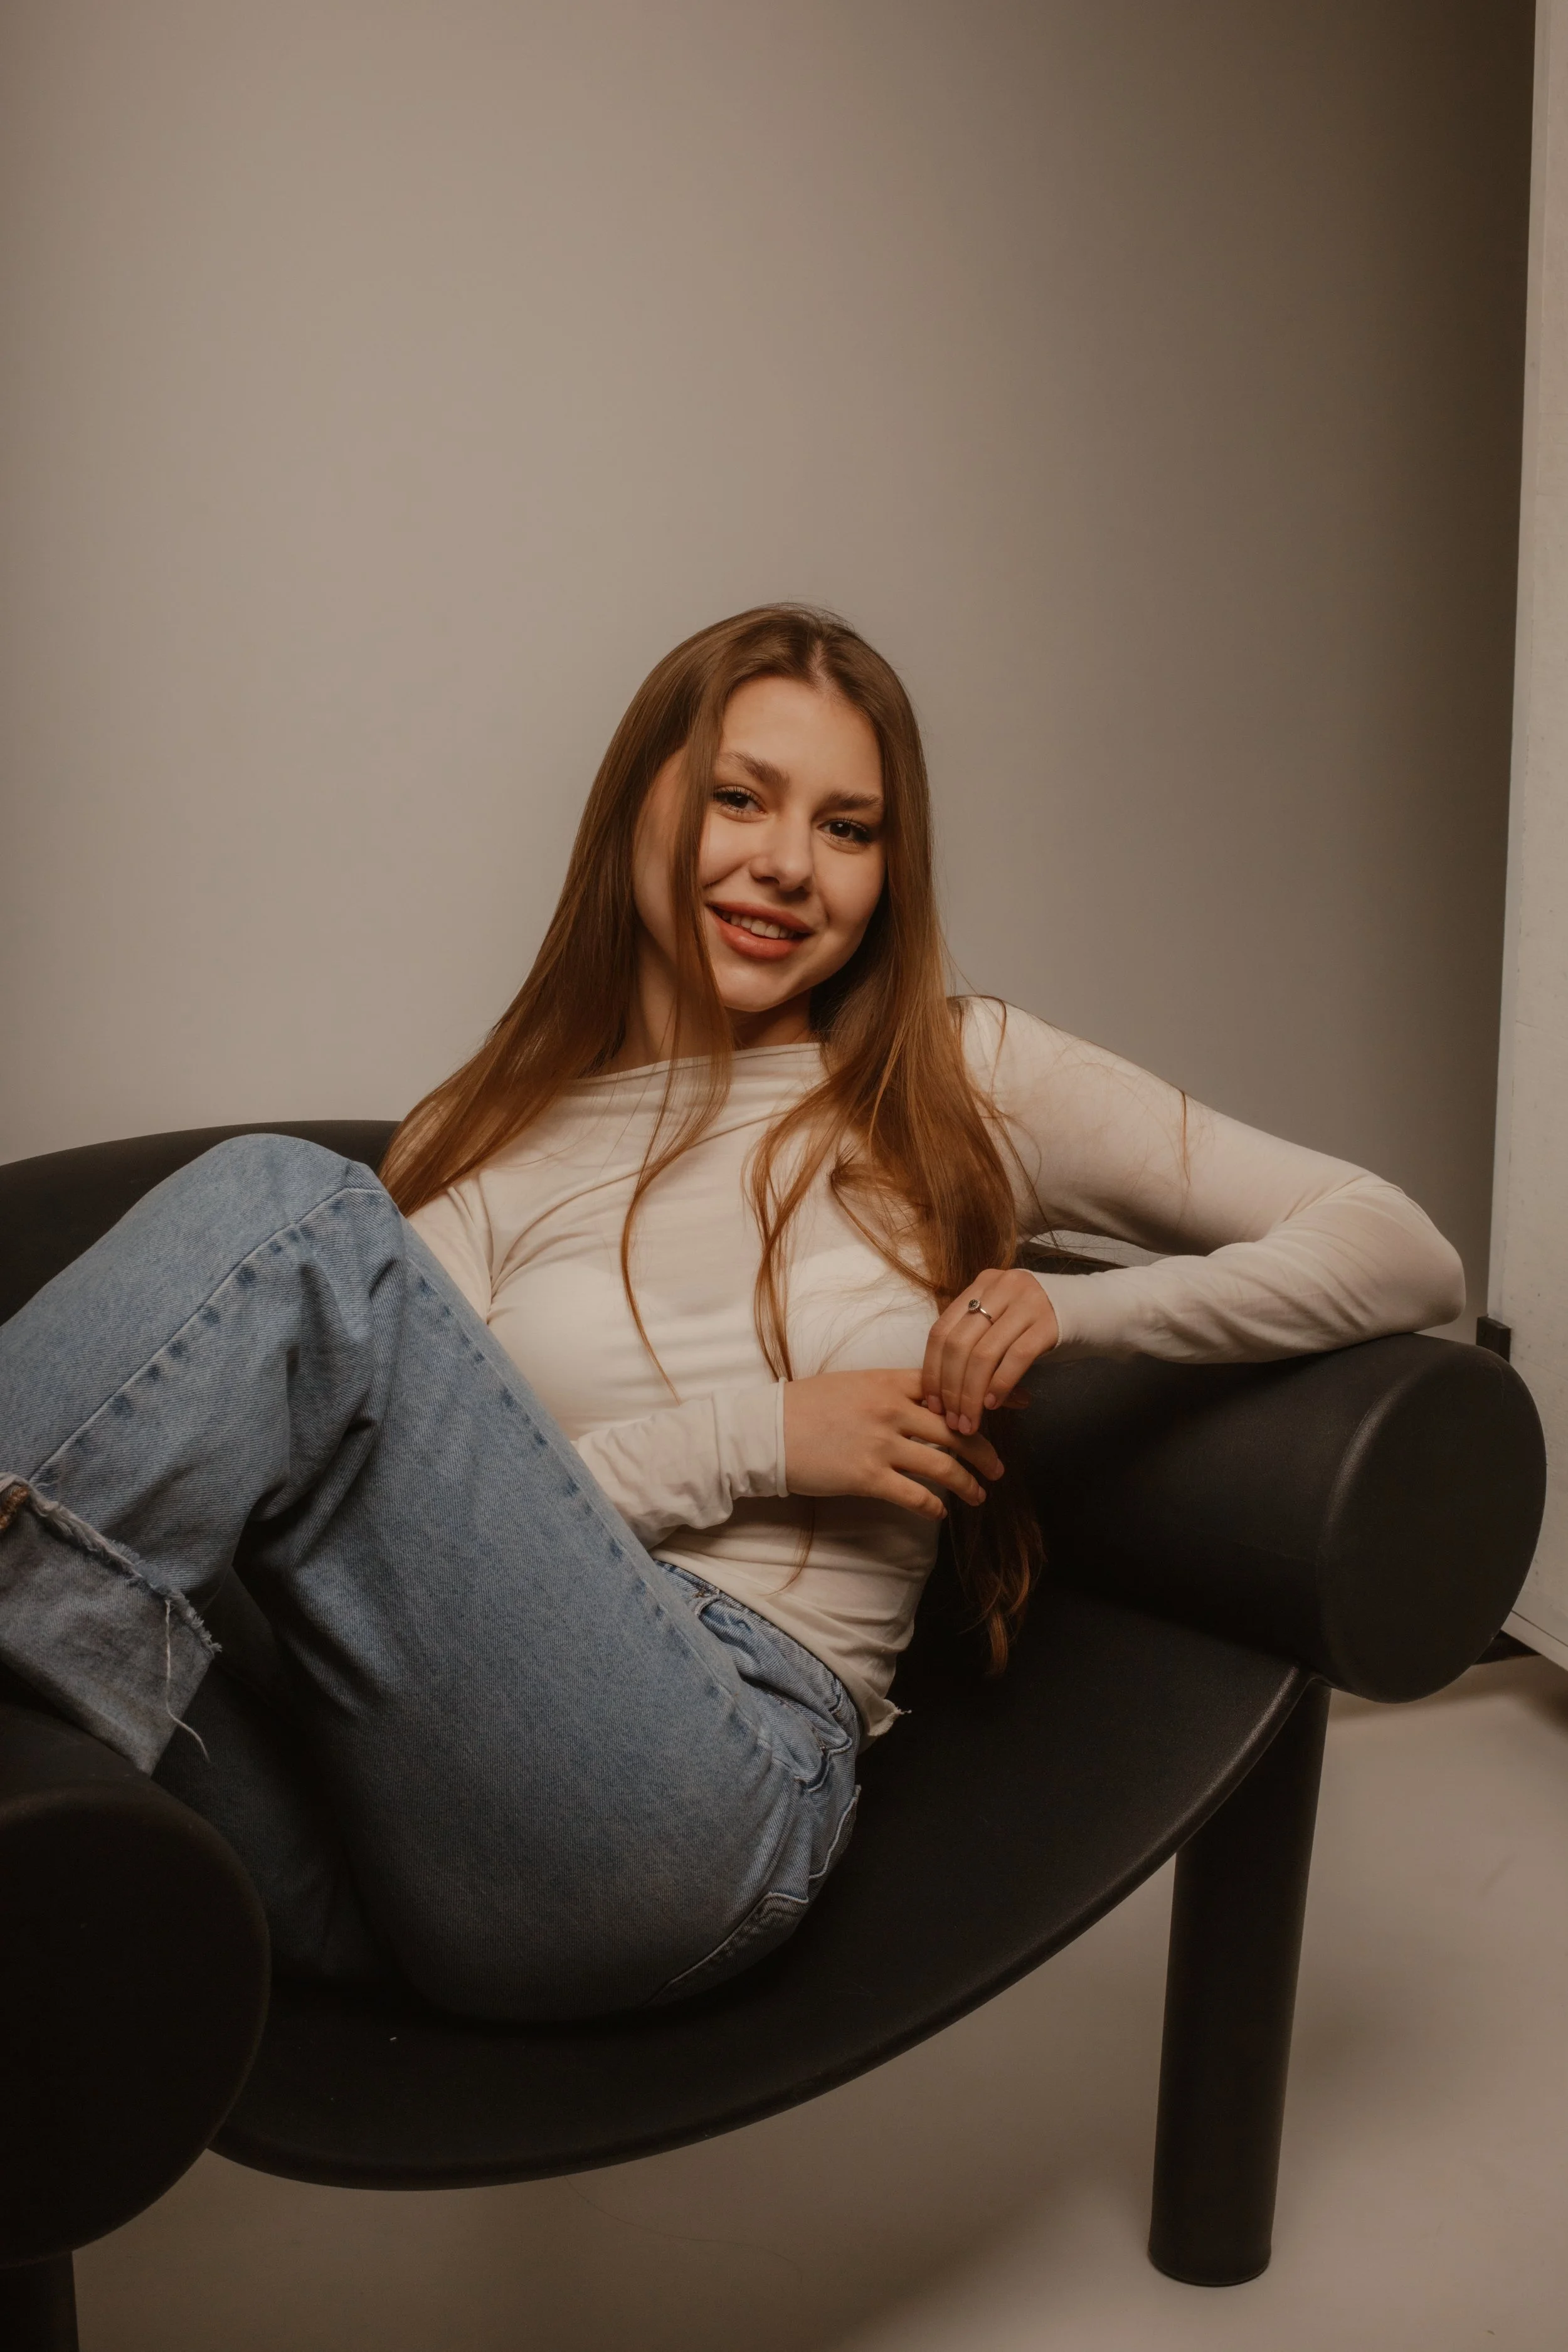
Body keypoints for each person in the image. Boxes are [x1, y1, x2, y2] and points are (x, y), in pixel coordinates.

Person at [0, 605, 1464, 2021]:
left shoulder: (957, 1075)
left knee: (284, 1199)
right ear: (636, 809)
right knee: (96, 1587)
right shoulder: (490, 1134)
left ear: (888, 873)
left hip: (705, 1796)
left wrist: (1071, 1315)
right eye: (738, 799)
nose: (784, 866)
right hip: (386, 1847)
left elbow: (1396, 1249)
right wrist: (756, 1437)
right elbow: (426, 1528)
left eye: (845, 828)